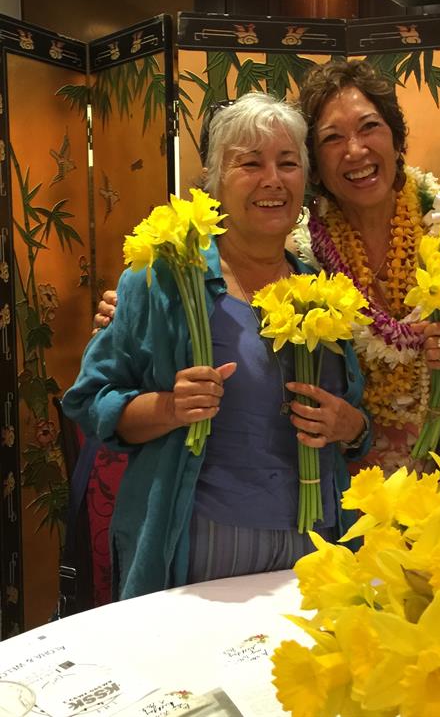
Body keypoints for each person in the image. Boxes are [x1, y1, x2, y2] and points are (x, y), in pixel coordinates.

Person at [63, 92, 371, 601]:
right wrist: (168, 408)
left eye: (288, 163)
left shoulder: (322, 288)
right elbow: (91, 401)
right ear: (214, 182)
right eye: (250, 163)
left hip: (319, 538)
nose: (272, 178)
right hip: (198, 540)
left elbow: (355, 421)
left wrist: (351, 426)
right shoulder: (159, 281)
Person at [294, 58, 440, 473]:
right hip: (342, 475)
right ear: (314, 164)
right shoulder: (302, 252)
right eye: (332, 138)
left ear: (396, 138)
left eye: (369, 127)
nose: (356, 150)